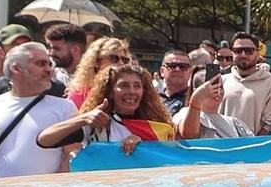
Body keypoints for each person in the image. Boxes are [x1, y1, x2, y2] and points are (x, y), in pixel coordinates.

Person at [0, 46, 75, 178]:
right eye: (40, 64)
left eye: (49, 64)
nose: (48, 70)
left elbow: (71, 154)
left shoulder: (64, 107)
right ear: (16, 68)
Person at [39, 62, 178, 157]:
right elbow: (44, 140)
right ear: (110, 92)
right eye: (124, 86)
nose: (131, 91)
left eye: (137, 86)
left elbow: (169, 158)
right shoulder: (97, 125)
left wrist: (143, 146)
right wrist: (83, 119)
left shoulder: (157, 125)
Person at [219, 32, 271, 134]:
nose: (243, 55)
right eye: (238, 51)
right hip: (223, 146)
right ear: (232, 53)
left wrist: (254, 145)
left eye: (249, 51)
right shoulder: (222, 81)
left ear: (258, 53)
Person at [65, 36, 131, 107]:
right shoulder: (80, 93)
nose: (121, 63)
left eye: (124, 60)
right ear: (96, 62)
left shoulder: (131, 91)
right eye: (114, 58)